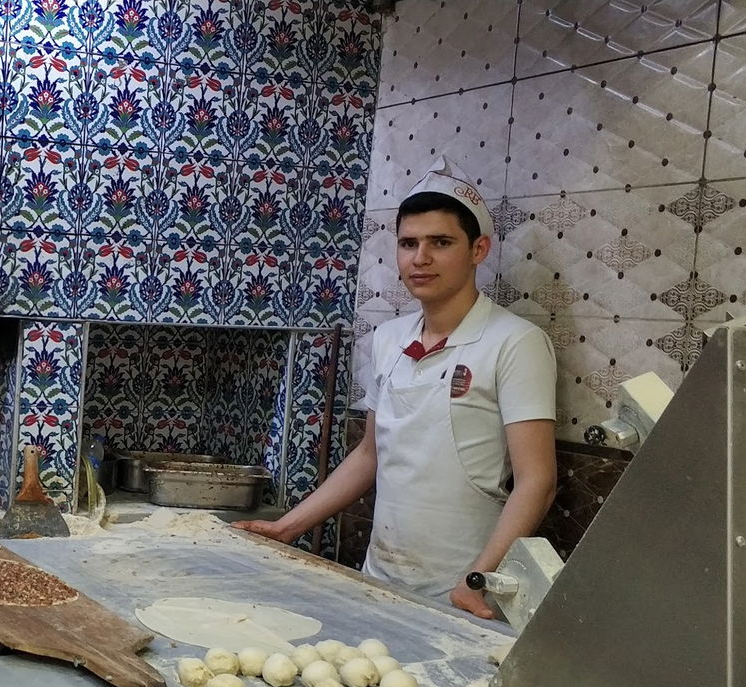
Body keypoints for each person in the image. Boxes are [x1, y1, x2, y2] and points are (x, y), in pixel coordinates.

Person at [236, 157, 556, 619]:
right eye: (408, 244)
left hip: (465, 594)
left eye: (440, 243)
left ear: (478, 249)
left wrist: (476, 581)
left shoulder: (514, 343)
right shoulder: (388, 340)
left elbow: (537, 480)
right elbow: (370, 455)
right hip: (379, 581)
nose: (419, 259)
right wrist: (288, 527)